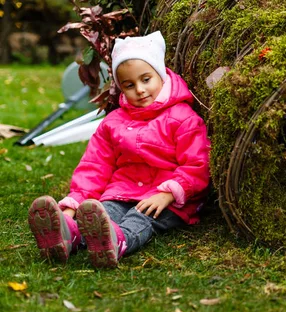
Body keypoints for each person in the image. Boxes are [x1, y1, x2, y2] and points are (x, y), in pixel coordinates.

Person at [27, 31, 211, 269]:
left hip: (165, 198)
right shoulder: (113, 122)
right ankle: (66, 235)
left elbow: (198, 164)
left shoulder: (183, 118)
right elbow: (95, 165)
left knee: (140, 217)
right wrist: (75, 203)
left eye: (146, 79)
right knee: (102, 212)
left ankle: (117, 241)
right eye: (129, 85)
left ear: (161, 75)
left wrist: (169, 193)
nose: (140, 90)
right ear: (121, 87)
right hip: (122, 191)